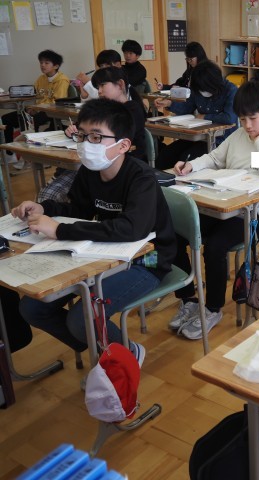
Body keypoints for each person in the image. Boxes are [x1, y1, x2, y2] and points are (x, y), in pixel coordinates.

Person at [12, 98, 176, 363]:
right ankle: (96, 346)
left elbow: (131, 229)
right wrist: (44, 208)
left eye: (97, 137)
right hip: (104, 254)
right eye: (82, 135)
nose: (87, 144)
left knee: (83, 317)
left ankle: (127, 355)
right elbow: (79, 209)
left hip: (149, 259)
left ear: (123, 145)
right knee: (32, 308)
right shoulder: (90, 172)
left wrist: (60, 230)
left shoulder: (141, 178)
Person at [169, 80, 259, 339]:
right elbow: (215, 158)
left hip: (250, 216)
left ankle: (212, 308)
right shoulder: (237, 136)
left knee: (215, 247)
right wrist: (192, 166)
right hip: (221, 205)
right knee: (176, 233)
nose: (247, 125)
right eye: (242, 119)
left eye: (253, 118)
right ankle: (188, 299)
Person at [37, 67, 148, 203]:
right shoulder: (101, 110)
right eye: (97, 87)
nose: (99, 91)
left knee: (56, 195)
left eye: (103, 85)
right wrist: (73, 131)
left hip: (118, 164)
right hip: (94, 166)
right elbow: (81, 126)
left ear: (120, 84)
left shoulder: (131, 110)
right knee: (49, 196)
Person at [154, 60, 238, 170]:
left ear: (212, 84)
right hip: (198, 137)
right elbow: (187, 107)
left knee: (185, 159)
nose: (201, 92)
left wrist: (205, 116)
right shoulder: (198, 88)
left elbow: (229, 118)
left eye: (203, 89)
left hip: (219, 140)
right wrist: (170, 104)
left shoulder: (231, 90)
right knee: (166, 155)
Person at [1, 50, 70, 166]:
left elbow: (57, 102)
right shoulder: (41, 79)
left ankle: (32, 156)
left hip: (51, 112)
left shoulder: (62, 80)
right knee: (5, 119)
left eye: (46, 63)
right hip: (36, 109)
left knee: (30, 122)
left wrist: (36, 108)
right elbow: (33, 95)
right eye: (41, 62)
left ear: (56, 66)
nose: (42, 65)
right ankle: (10, 155)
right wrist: (25, 102)